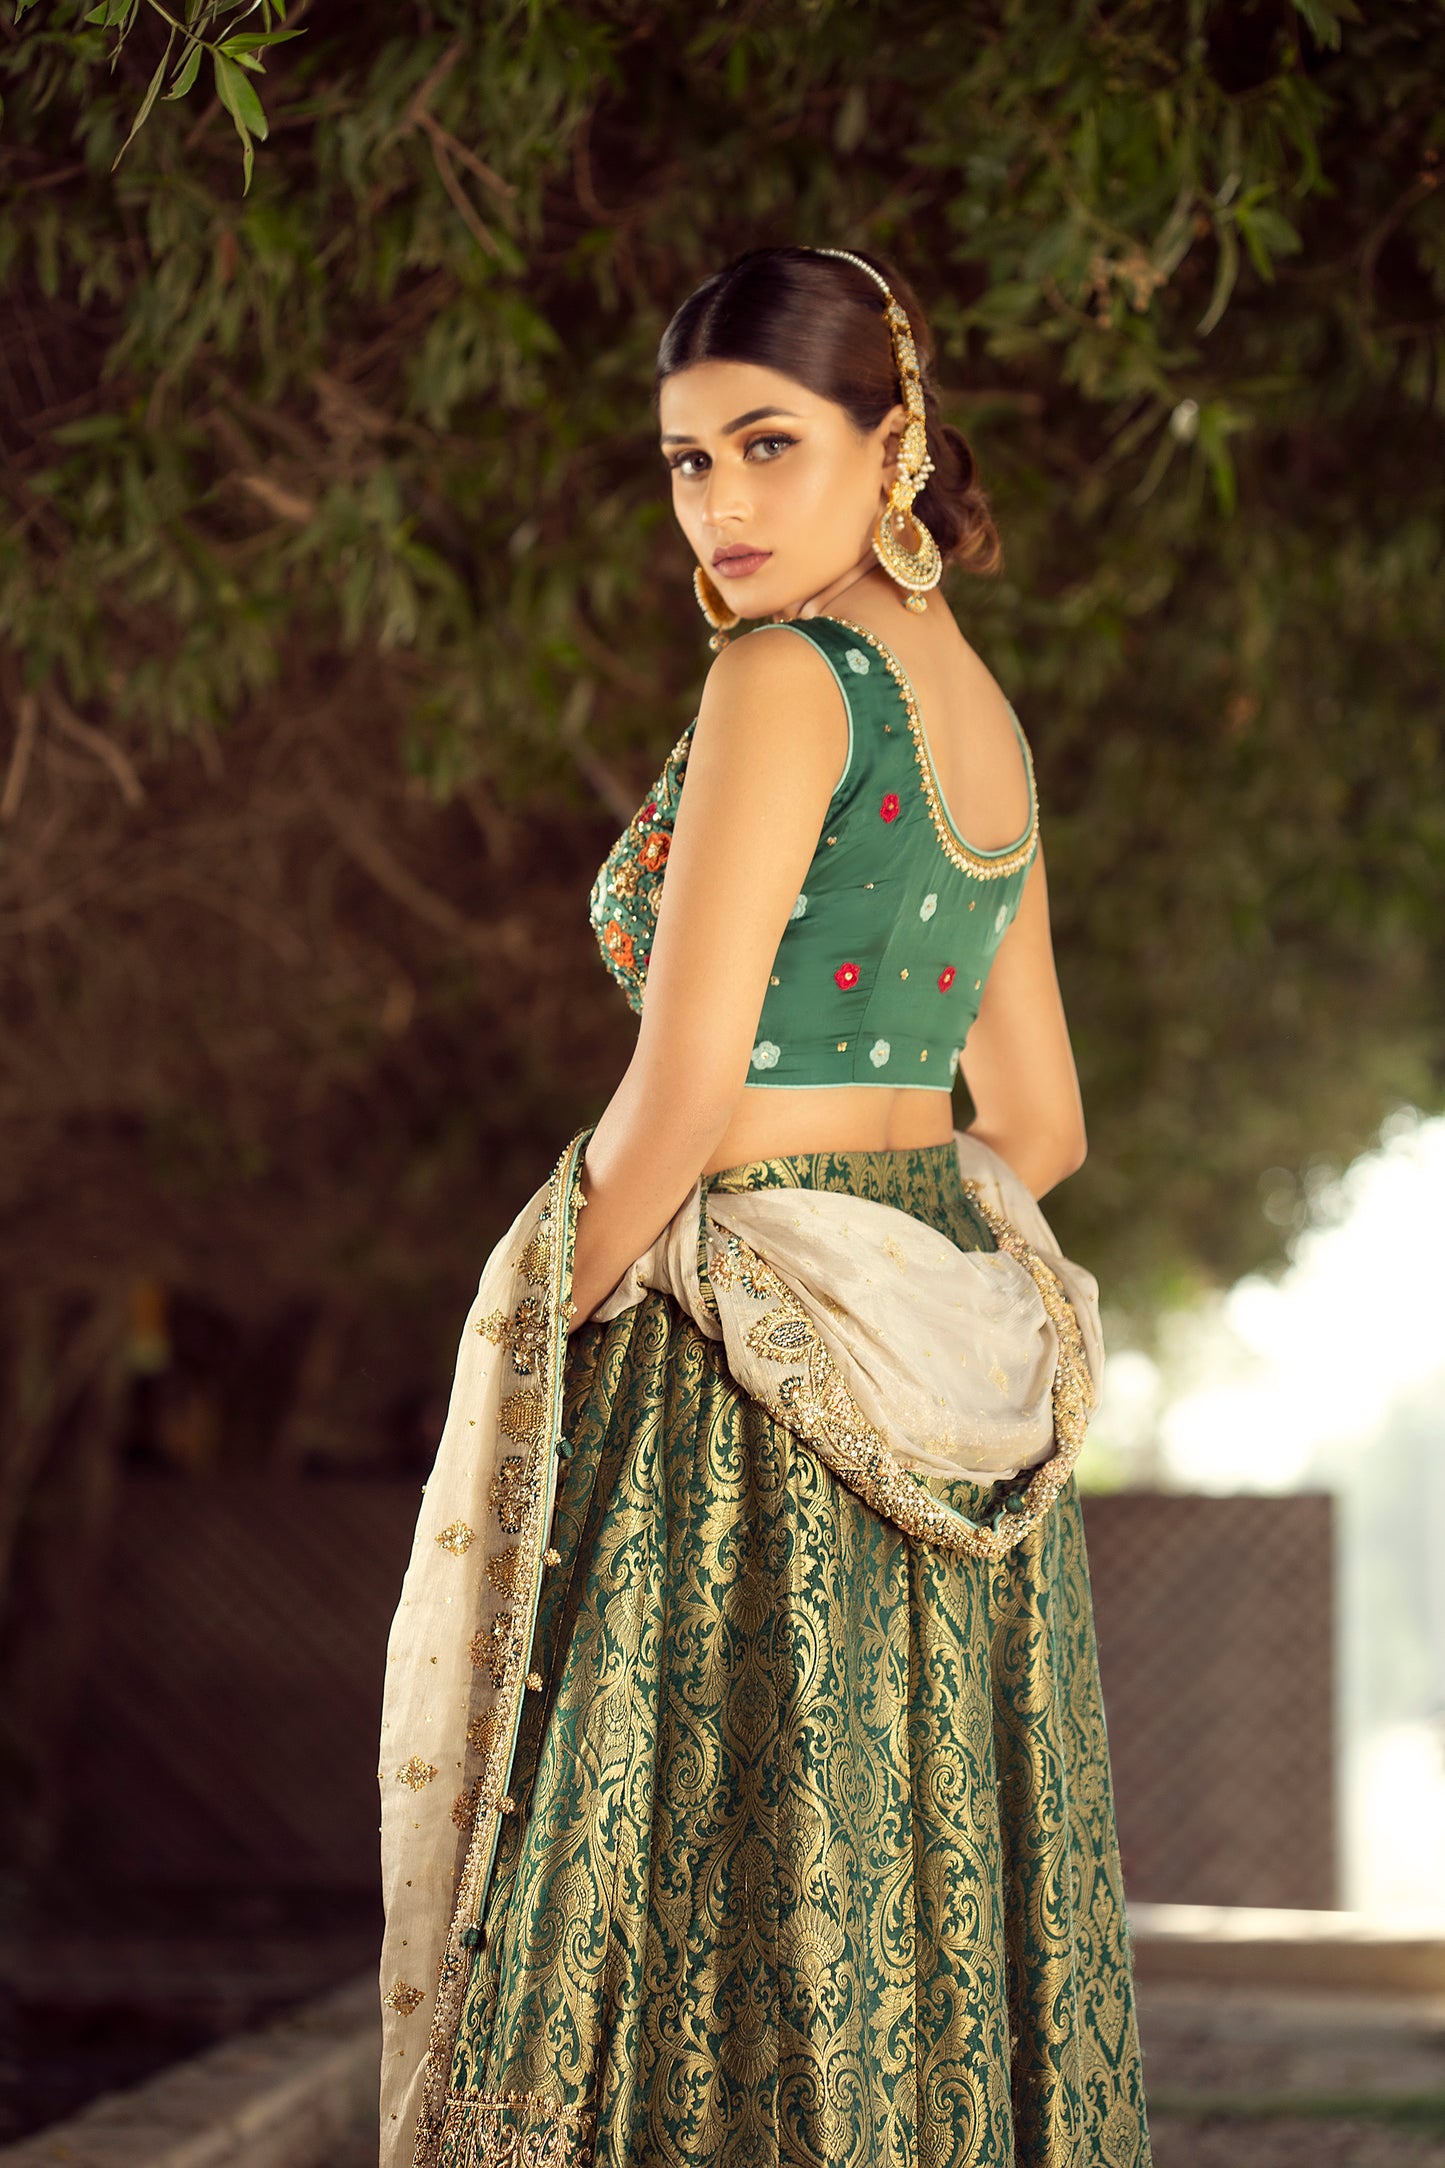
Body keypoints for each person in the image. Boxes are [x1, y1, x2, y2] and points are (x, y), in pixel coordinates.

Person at [378, 244, 1152, 2168]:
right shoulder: (978, 713)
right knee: (886, 1905)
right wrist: (900, 1256)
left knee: (681, 1919)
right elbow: (1039, 1124)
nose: (717, 505)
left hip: (735, 1375)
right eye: (684, 462)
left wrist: (531, 1323)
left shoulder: (783, 677)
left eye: (766, 445)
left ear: (895, 446)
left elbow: (682, 1096)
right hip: (938, 1347)